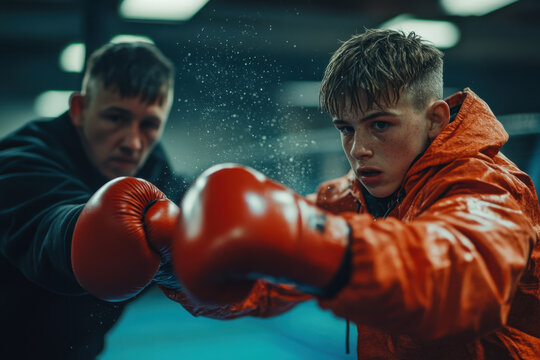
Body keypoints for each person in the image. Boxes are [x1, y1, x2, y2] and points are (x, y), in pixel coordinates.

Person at [171, 29, 540, 359]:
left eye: (380, 124)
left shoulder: (486, 184)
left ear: (435, 120)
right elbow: (268, 281)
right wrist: (171, 258)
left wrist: (316, 242)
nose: (359, 148)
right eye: (346, 128)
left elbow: (468, 277)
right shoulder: (354, 196)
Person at [0, 41, 188, 359]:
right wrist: (94, 231)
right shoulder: (21, 160)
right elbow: (48, 229)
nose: (132, 142)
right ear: (79, 109)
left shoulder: (155, 172)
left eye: (149, 125)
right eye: (115, 118)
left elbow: (192, 207)